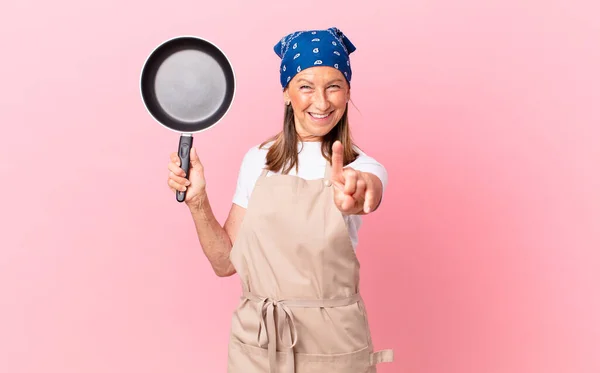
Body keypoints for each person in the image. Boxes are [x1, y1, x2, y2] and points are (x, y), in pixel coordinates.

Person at [167, 27, 394, 373]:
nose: (321, 102)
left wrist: (359, 190)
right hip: (259, 343)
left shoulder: (361, 167)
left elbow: (369, 191)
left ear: (348, 92)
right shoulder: (257, 160)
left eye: (333, 85)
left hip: (333, 343)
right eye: (306, 87)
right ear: (286, 93)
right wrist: (197, 202)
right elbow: (225, 263)